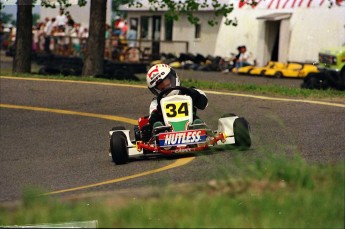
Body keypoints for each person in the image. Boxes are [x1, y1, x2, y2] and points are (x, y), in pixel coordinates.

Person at [142, 64, 208, 141]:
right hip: (167, 130)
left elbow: (203, 104)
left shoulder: (189, 92)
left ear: (173, 78)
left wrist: (193, 95)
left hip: (190, 125)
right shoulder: (156, 102)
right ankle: (160, 134)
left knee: (196, 121)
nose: (165, 87)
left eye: (166, 83)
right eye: (161, 87)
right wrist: (159, 110)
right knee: (155, 124)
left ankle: (198, 128)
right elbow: (152, 119)